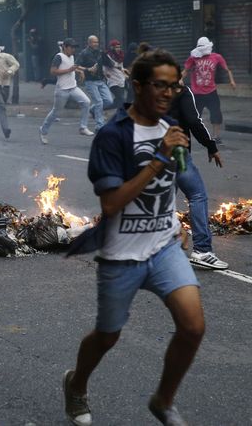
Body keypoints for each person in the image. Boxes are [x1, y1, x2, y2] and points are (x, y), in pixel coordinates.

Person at [63, 49, 204, 426]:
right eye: (160, 85)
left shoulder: (170, 128)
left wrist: (183, 222)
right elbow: (111, 203)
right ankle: (76, 384)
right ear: (138, 85)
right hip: (121, 255)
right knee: (107, 336)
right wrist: (159, 158)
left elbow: (175, 184)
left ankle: (163, 400)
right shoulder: (112, 137)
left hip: (163, 248)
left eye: (174, 86)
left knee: (193, 327)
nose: (168, 93)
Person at [169, 83, 228, 270]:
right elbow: (194, 121)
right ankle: (202, 250)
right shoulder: (182, 91)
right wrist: (211, 146)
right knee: (197, 195)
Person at [39, 38, 93, 144]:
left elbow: (71, 67)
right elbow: (53, 71)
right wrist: (69, 70)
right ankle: (43, 131)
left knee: (86, 102)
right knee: (55, 112)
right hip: (62, 90)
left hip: (73, 87)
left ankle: (83, 127)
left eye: (74, 48)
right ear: (65, 47)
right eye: (71, 47)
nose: (73, 50)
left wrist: (79, 71)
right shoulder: (58, 57)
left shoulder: (72, 56)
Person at [183, 36, 236, 144]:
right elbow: (185, 70)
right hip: (197, 93)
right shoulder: (193, 58)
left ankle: (216, 136)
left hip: (211, 92)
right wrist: (179, 79)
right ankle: (187, 136)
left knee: (216, 114)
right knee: (194, 116)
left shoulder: (216, 57)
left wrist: (232, 81)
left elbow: (227, 70)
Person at [77, 35, 113, 132]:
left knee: (109, 101)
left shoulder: (100, 52)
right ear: (89, 43)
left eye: (97, 42)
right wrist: (88, 69)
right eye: (94, 42)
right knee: (99, 102)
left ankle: (93, 110)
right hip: (90, 81)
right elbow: (76, 66)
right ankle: (99, 126)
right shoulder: (84, 53)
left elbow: (109, 64)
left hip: (101, 80)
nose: (96, 44)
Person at [102, 40, 128, 109]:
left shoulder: (121, 55)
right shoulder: (108, 56)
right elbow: (104, 68)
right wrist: (106, 74)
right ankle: (122, 117)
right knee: (122, 100)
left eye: (119, 47)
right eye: (116, 47)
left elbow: (121, 67)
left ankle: (99, 109)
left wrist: (125, 74)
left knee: (117, 102)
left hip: (121, 80)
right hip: (113, 82)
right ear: (112, 47)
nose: (118, 49)